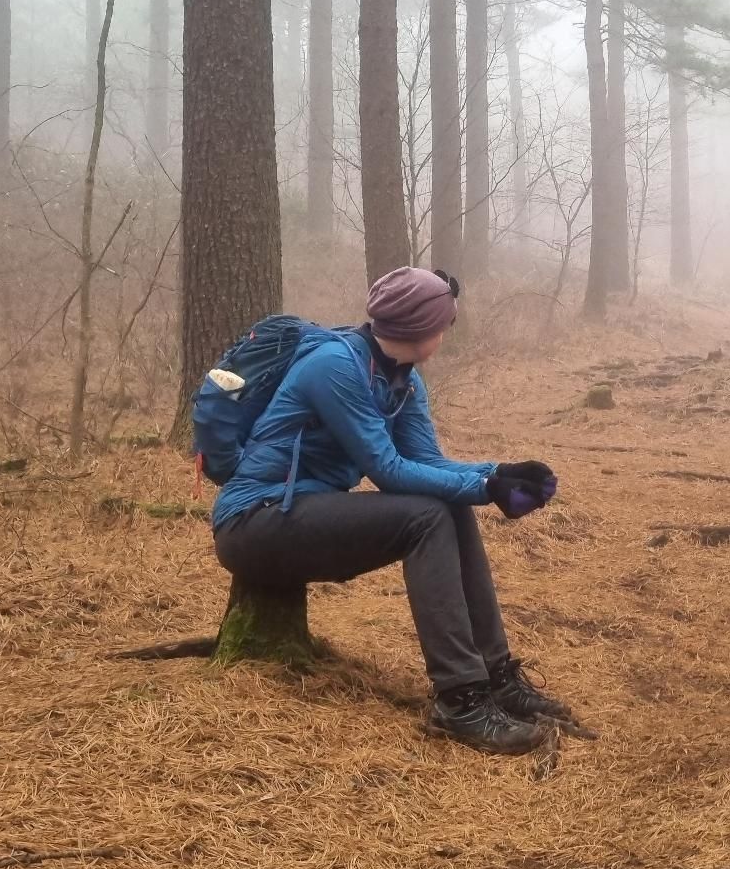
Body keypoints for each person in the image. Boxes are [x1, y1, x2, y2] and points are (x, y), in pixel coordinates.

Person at [210, 266, 573, 755]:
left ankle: (496, 675)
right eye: (446, 324)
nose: (447, 333)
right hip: (255, 521)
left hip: (306, 510)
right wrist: (489, 486)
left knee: (448, 502)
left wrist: (500, 471)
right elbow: (387, 469)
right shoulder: (335, 367)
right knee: (426, 515)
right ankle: (460, 700)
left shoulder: (403, 379)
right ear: (425, 329)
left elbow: (427, 464)